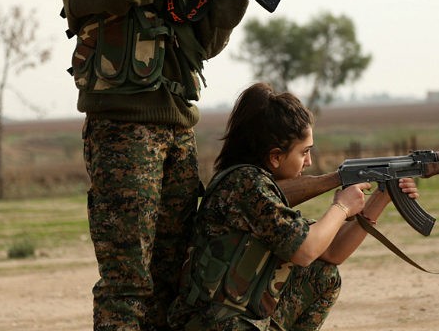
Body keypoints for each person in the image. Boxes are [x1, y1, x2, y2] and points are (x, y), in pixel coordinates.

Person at [54, 0, 265, 331]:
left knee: (173, 272)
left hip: (177, 133)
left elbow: (202, 43)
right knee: (127, 279)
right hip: (123, 136)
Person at [168, 83, 419, 330]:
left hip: (236, 316)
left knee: (323, 276)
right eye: (304, 152)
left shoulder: (258, 186)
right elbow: (306, 250)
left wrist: (382, 196)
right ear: (275, 156)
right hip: (213, 322)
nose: (309, 161)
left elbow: (332, 253)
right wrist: (341, 208)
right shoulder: (246, 184)